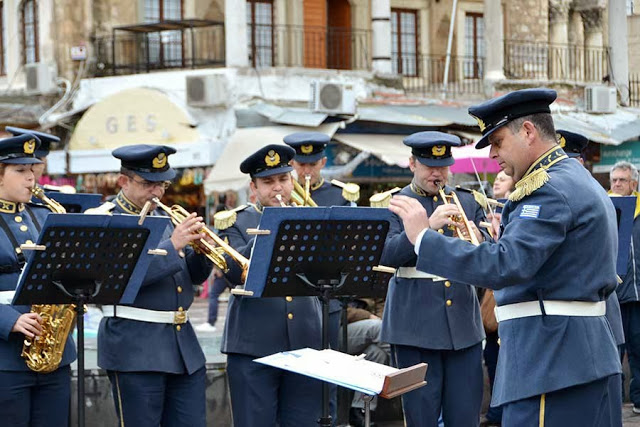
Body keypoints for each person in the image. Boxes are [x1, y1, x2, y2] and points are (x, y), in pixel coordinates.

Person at [389, 88, 622, 426]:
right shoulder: (571, 179)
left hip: (551, 361)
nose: (494, 154)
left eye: (497, 141)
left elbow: (505, 264)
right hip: (573, 357)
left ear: (528, 131)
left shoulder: (547, 189)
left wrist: (424, 238)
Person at [93, 144, 213, 427]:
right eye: (148, 184)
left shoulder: (167, 216)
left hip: (183, 348)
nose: (157, 193)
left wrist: (203, 252)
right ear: (124, 181)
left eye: (162, 184)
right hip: (135, 348)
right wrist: (174, 246)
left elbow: (190, 278)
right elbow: (114, 281)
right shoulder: (106, 218)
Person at [379, 131, 488, 427]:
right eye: (429, 166)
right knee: (421, 417)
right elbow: (385, 256)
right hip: (415, 327)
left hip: (463, 326)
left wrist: (481, 237)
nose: (437, 173)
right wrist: (424, 229)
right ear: (412, 163)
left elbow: (487, 255)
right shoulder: (394, 204)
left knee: (465, 417)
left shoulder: (467, 201)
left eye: (443, 166)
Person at [218, 144, 323, 427]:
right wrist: (272, 226)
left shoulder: (311, 218)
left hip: (305, 339)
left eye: (283, 179)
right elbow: (232, 271)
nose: (277, 188)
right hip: (254, 343)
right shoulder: (235, 222)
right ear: (253, 187)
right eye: (268, 182)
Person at [0, 133, 76, 426]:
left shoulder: (45, 216)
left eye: (32, 169)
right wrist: (10, 321)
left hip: (54, 355)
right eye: (20, 171)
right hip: (6, 358)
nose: (31, 178)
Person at [480, 169, 515, 427]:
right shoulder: (484, 212)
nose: (497, 183)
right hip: (492, 304)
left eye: (503, 178)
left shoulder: (519, 208)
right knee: (492, 357)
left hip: (512, 304)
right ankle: (496, 412)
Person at [609, 160, 640, 412]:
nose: (617, 184)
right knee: (612, 353)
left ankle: (639, 401)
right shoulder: (605, 208)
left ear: (634, 183)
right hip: (614, 296)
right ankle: (613, 402)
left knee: (639, 350)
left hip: (638, 295)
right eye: (614, 180)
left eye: (622, 180)